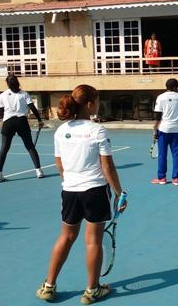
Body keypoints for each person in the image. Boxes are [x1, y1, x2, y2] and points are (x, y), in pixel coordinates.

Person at [36, 84, 127, 304]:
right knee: (92, 241)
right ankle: (92, 290)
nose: (97, 104)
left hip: (69, 191)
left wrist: (70, 181)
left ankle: (49, 286)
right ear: (89, 104)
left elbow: (59, 164)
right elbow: (108, 167)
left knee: (65, 237)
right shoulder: (97, 130)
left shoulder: (61, 131)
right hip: (95, 191)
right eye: (96, 100)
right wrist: (119, 193)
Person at [0, 74, 44, 182]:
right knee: (30, 147)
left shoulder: (2, 95)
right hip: (22, 121)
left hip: (8, 122)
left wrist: (7, 117)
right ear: (17, 82)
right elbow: (32, 108)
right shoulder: (24, 94)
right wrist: (40, 120)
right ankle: (38, 171)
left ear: (7, 83)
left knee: (4, 148)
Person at [151, 78, 178, 185]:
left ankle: (162, 178)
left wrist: (155, 130)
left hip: (163, 130)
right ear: (175, 87)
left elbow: (157, 116)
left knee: (162, 154)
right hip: (176, 130)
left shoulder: (160, 97)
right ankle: (176, 179)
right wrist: (176, 121)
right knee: (177, 154)